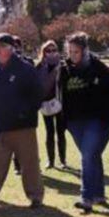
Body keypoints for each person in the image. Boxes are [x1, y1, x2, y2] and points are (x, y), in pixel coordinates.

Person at [0, 33, 44, 213]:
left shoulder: (26, 69)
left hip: (23, 128)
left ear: (10, 48)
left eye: (0, 46)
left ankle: (35, 197)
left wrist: (24, 113)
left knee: (29, 164)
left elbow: (37, 95)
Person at [59, 32, 109, 213]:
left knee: (87, 156)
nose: (72, 55)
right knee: (92, 156)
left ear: (85, 51)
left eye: (76, 51)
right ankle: (99, 194)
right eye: (69, 51)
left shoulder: (101, 70)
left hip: (98, 121)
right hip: (74, 123)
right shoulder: (64, 70)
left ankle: (86, 197)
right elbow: (61, 95)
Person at [36, 40, 68, 170]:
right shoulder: (38, 67)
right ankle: (51, 161)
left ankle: (63, 161)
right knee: (49, 133)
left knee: (61, 132)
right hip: (45, 103)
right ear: (43, 52)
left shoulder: (63, 66)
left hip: (60, 103)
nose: (51, 53)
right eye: (48, 50)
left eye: (54, 50)